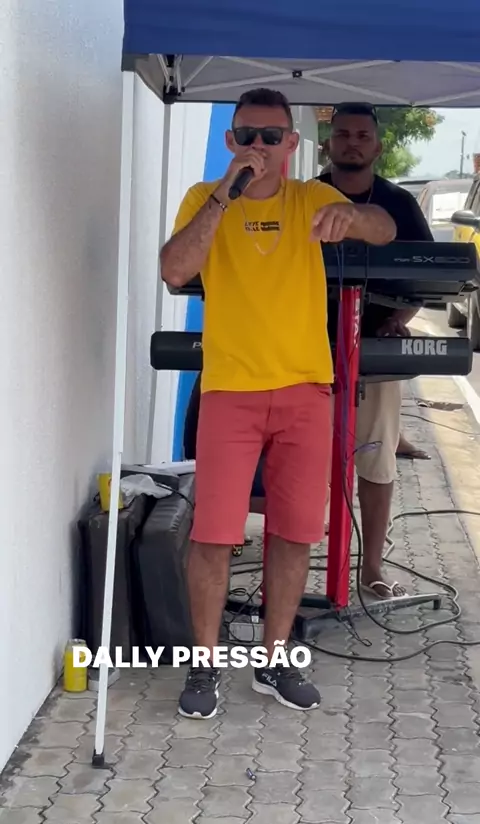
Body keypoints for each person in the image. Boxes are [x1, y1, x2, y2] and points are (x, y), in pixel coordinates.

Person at [160, 87, 396, 719]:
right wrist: (225, 193)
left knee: (294, 533)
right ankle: (204, 664)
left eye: (271, 136)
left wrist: (350, 215)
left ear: (292, 143)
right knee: (214, 535)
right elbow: (175, 270)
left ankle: (275, 659)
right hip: (230, 390)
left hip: (305, 390)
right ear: (231, 140)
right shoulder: (203, 197)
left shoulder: (310, 198)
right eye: (247, 136)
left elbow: (385, 227)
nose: (259, 146)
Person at [318, 102, 434, 600]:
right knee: (300, 463)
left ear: (378, 145)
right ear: (328, 143)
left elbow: (431, 273)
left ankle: (371, 567)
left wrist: (399, 318)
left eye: (362, 135)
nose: (352, 143)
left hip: (375, 353)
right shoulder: (305, 196)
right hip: (304, 350)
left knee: (377, 458)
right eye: (343, 134)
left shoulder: (399, 203)